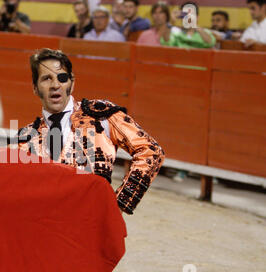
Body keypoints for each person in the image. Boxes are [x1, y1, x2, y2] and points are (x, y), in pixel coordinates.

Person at [16, 48, 165, 215]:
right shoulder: (26, 139)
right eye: (46, 79)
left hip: (92, 225)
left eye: (62, 78)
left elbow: (151, 151)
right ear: (35, 88)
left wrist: (119, 204)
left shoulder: (101, 115)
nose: (55, 85)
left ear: (71, 83)